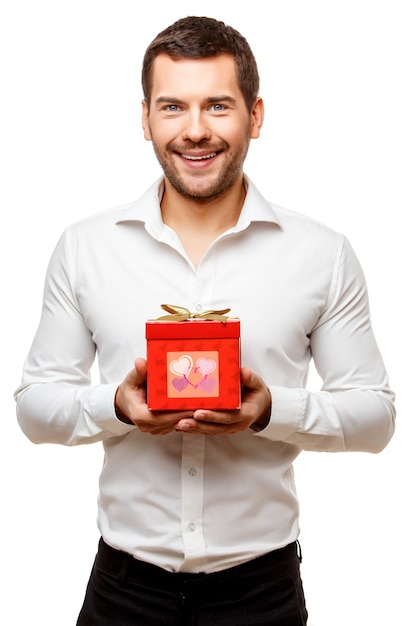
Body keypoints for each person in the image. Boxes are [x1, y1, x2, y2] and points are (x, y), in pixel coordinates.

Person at [15, 15, 395, 626]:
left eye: (218, 106)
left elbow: (376, 417)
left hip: (262, 593)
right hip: (122, 591)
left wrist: (271, 411)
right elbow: (34, 407)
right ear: (145, 118)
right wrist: (117, 406)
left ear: (256, 115)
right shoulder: (85, 248)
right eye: (172, 107)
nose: (195, 131)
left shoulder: (322, 254)